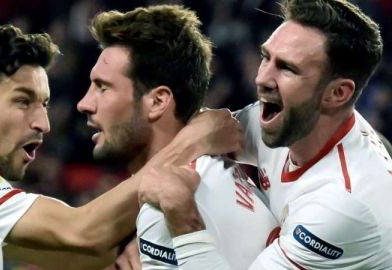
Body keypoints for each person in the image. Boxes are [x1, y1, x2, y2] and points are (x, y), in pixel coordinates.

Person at [0, 23, 242, 270]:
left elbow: (74, 253)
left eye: (44, 104)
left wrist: (135, 247)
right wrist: (192, 141)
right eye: (23, 101)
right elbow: (82, 232)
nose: (44, 123)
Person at [140, 0, 392, 269]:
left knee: (172, 208)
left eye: (287, 68)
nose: (261, 79)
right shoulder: (289, 119)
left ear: (337, 93)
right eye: (266, 57)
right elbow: (208, 129)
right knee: (196, 171)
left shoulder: (343, 204)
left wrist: (184, 217)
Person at [78, 5, 279, 270]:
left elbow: (75, 232)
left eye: (103, 88)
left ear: (158, 102)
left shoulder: (167, 206)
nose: (84, 104)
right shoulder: (219, 174)